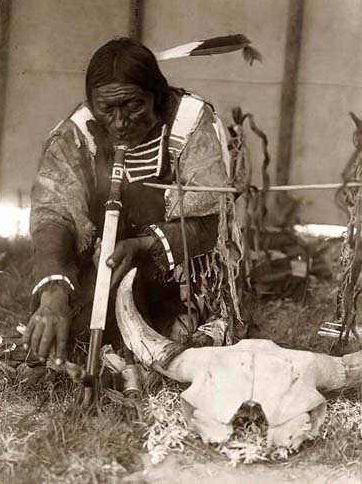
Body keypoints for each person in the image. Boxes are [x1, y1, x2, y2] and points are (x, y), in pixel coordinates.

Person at [22, 37, 230, 367]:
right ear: (92, 102)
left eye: (133, 105)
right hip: (102, 259)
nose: (120, 123)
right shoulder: (78, 132)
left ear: (156, 96)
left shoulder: (189, 123)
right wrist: (54, 290)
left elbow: (211, 219)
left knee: (169, 334)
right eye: (107, 109)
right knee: (73, 326)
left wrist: (144, 244)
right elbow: (54, 210)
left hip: (175, 268)